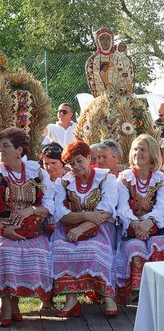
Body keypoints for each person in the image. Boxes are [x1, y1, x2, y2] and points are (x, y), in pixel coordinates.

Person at [51, 141, 118, 318]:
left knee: (95, 249)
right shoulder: (63, 182)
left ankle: (108, 296)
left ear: (89, 158)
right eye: (72, 164)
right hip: (68, 229)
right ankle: (71, 300)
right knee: (60, 249)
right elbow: (60, 213)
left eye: (79, 161)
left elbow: (106, 211)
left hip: (100, 229)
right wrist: (87, 216)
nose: (76, 166)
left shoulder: (106, 178)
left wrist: (81, 227)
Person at [0, 127, 55, 326]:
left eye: (5, 146)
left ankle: (14, 305)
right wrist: (4, 230)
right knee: (4, 251)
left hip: (33, 231)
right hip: (3, 231)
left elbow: (49, 206)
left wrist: (30, 210)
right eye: (0, 146)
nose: (1, 150)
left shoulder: (36, 172)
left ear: (19, 150)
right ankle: (7, 305)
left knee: (40, 250)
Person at [115, 135, 164, 305]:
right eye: (135, 149)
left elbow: (162, 207)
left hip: (154, 226)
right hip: (131, 227)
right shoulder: (124, 178)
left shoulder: (161, 179)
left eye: (142, 150)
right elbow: (123, 207)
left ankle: (159, 294)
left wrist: (148, 223)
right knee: (136, 251)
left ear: (152, 155)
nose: (137, 153)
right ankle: (139, 296)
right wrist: (136, 224)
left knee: (158, 248)